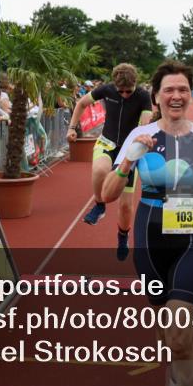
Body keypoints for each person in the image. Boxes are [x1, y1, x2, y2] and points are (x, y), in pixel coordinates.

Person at [102, 60, 193, 386]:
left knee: (179, 335)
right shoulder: (139, 136)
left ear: (190, 95)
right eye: (169, 90)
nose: (176, 96)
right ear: (157, 96)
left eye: (183, 90)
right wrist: (128, 161)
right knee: (168, 333)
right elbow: (107, 194)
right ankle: (177, 373)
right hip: (150, 243)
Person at [68, 63, 153, 261]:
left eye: (128, 91)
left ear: (135, 85)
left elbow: (144, 123)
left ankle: (122, 236)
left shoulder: (142, 96)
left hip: (129, 151)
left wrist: (140, 140)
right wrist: (72, 127)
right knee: (99, 170)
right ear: (114, 85)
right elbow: (81, 103)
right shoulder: (105, 89)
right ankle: (99, 205)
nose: (124, 95)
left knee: (125, 206)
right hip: (107, 142)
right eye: (120, 91)